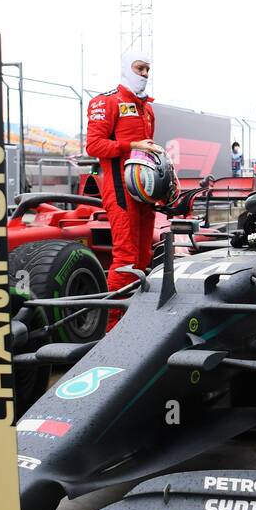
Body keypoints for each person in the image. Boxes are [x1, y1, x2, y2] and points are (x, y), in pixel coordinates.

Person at [86, 51, 167, 327]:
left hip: (143, 190)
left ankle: (132, 321)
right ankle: (111, 329)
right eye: (139, 68)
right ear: (125, 68)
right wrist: (130, 146)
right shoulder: (106, 101)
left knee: (144, 256)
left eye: (147, 70)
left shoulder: (147, 108)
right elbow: (94, 146)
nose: (144, 74)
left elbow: (145, 150)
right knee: (126, 256)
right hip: (119, 189)